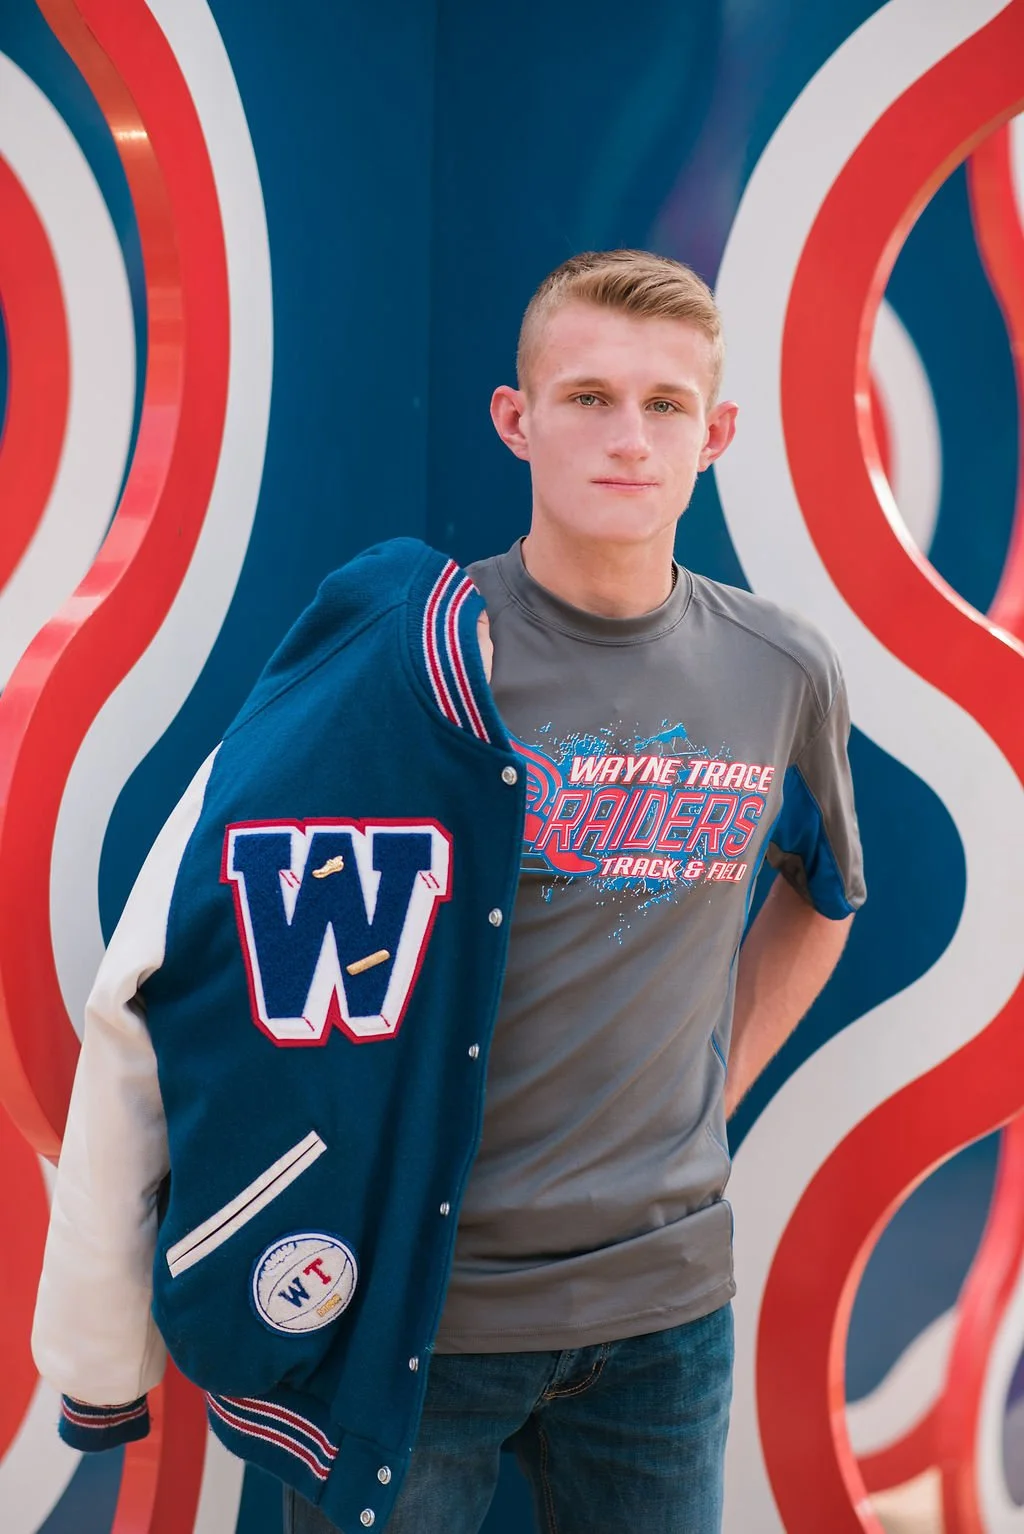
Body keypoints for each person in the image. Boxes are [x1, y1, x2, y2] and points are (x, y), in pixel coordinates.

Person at [34, 250, 864, 1534]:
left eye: (665, 405)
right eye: (585, 396)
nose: (627, 437)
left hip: (663, 1313)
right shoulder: (401, 657)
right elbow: (190, 946)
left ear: (719, 433)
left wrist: (714, 1088)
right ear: (514, 418)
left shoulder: (780, 671)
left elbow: (821, 893)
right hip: (413, 1315)